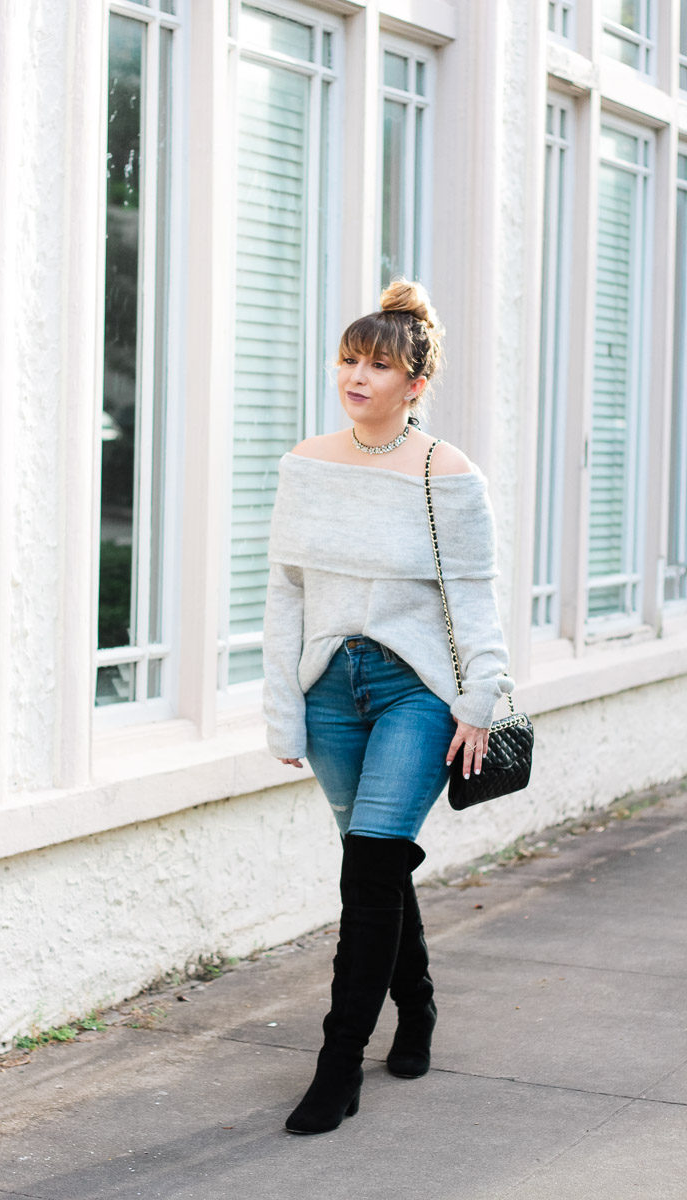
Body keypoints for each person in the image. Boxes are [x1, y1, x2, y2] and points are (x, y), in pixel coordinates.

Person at [262, 279, 511, 1135]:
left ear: (416, 382)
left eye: (377, 364)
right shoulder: (307, 462)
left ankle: (338, 1066)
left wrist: (481, 697)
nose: (356, 376)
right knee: (378, 863)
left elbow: (474, 596)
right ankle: (420, 1005)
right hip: (330, 689)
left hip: (416, 692)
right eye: (348, 360)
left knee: (368, 869)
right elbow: (286, 594)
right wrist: (281, 708)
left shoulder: (448, 471)